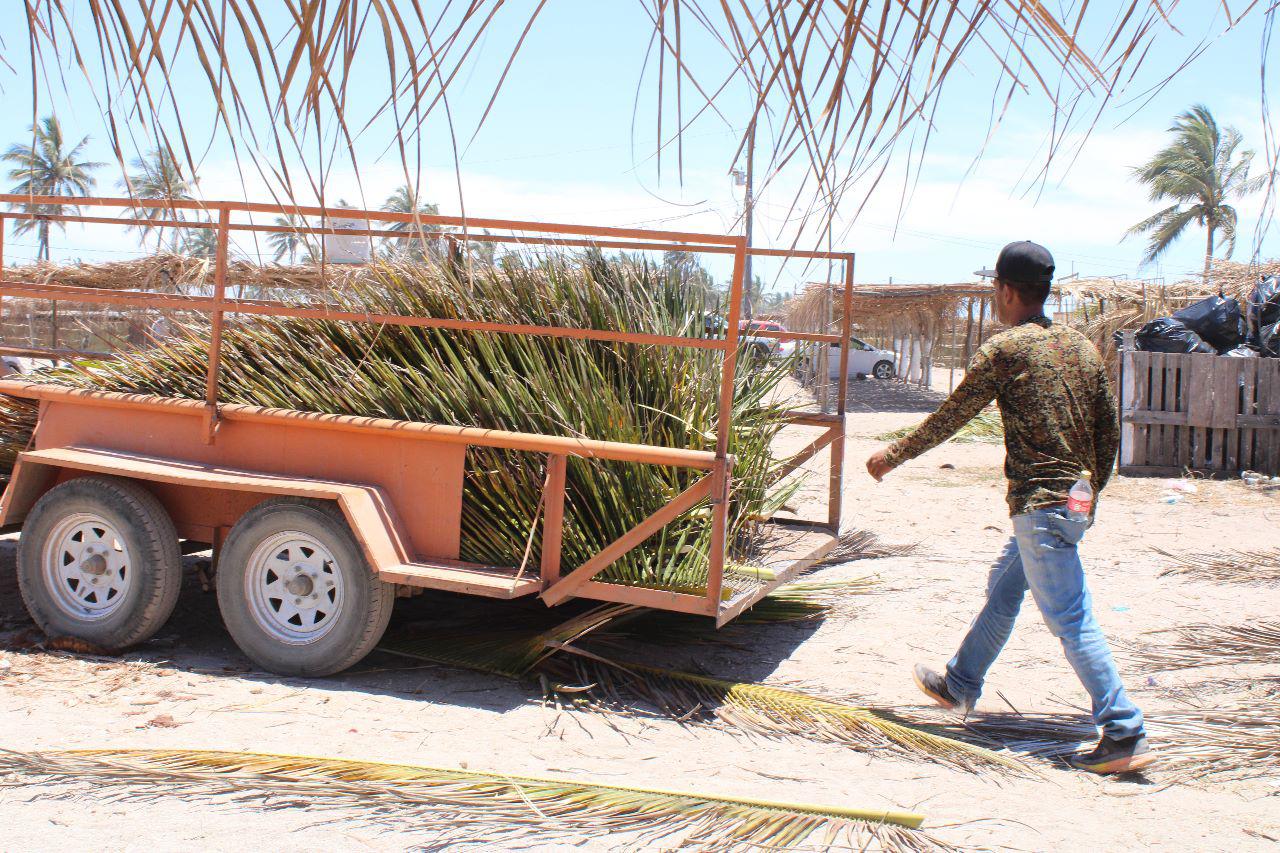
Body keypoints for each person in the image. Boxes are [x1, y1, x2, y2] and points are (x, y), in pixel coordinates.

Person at [865, 240, 1153, 775]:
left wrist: (893, 454)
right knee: (1005, 586)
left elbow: (951, 416)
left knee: (1071, 619)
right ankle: (960, 683)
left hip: (1040, 507)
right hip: (1072, 502)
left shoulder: (1004, 351)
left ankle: (1123, 729)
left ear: (1003, 289)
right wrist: (1090, 494)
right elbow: (1107, 427)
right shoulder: (1081, 348)